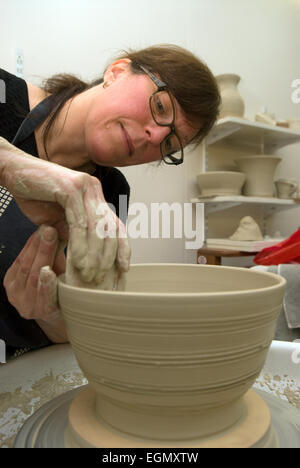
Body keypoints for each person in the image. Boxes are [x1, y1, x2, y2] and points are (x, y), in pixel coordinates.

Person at [0, 44, 220, 359]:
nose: (156, 138)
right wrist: (9, 165)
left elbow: (73, 325)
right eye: (160, 107)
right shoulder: (5, 96)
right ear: (116, 72)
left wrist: (48, 314)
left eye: (170, 144)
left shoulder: (113, 192)